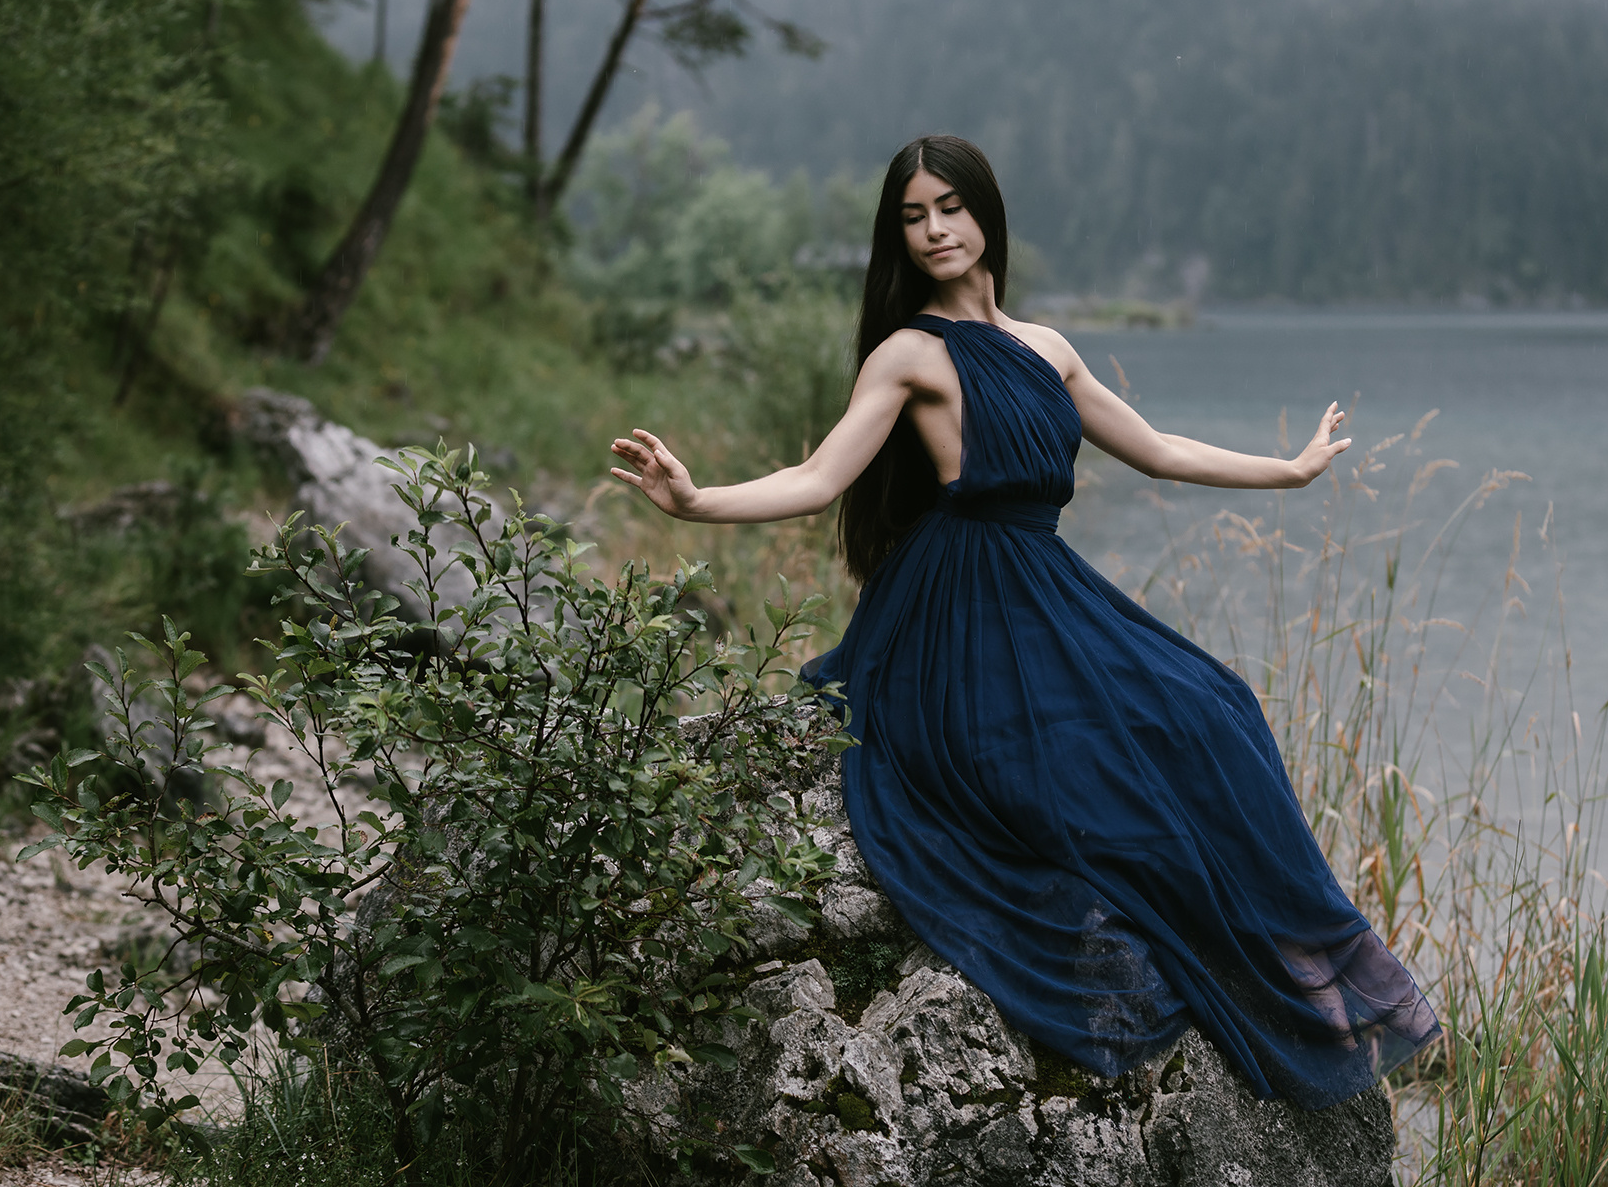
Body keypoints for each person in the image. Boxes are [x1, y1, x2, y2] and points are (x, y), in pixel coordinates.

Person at [609, 135, 1439, 1109]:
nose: (934, 230)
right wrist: (698, 500)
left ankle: (1295, 971)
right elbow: (820, 476)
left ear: (985, 213)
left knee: (1213, 707)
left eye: (949, 207)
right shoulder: (909, 353)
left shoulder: (1048, 348)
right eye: (913, 217)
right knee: (1052, 779)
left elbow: (1159, 449)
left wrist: (1288, 469)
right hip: (951, 603)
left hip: (1041, 584)